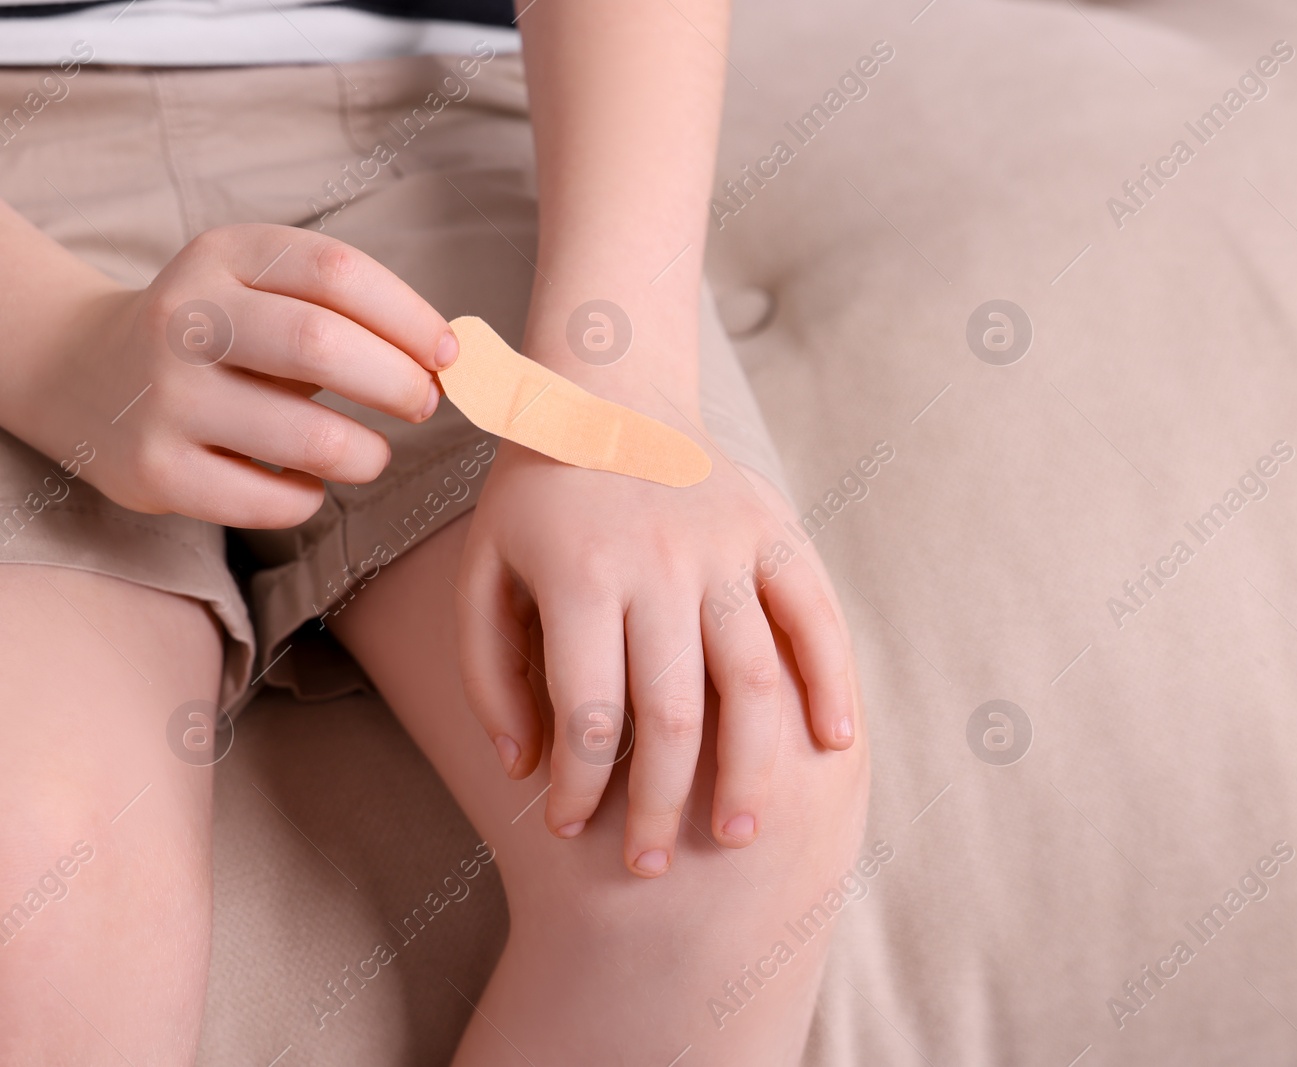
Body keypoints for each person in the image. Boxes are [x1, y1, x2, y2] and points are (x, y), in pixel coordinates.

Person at [0, 1, 870, 1062]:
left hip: (448, 112)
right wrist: (51, 348)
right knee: (28, 876)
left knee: (713, 797)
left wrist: (612, 388)